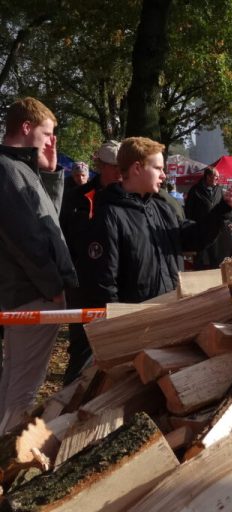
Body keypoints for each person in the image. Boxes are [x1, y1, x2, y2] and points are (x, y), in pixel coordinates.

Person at [79, 137, 232, 305]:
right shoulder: (109, 215)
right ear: (137, 168)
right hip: (135, 323)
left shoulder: (163, 209)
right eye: (158, 168)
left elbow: (193, 238)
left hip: (169, 315)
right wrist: (119, 322)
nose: (164, 175)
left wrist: (223, 209)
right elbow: (103, 282)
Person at [0, 97, 77, 433]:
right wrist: (53, 287)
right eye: (48, 133)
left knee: (14, 381)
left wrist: (49, 173)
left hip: (30, 290)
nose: (51, 141)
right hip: (33, 292)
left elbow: (47, 221)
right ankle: (8, 459)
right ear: (27, 127)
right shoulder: (7, 170)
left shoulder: (18, 170)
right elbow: (25, 239)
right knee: (23, 389)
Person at [59, 140, 122, 383]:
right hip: (83, 287)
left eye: (121, 167)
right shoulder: (77, 198)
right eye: (112, 166)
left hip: (117, 288)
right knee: (81, 351)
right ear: (100, 165)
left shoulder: (129, 196)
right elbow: (62, 235)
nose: (118, 172)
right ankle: (66, 410)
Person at [184, 167, 231, 268]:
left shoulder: (219, 190)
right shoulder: (195, 190)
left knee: (215, 259)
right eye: (216, 177)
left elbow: (223, 209)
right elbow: (188, 211)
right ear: (208, 177)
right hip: (200, 230)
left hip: (215, 230)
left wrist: (227, 221)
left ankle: (216, 278)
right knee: (200, 259)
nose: (218, 180)